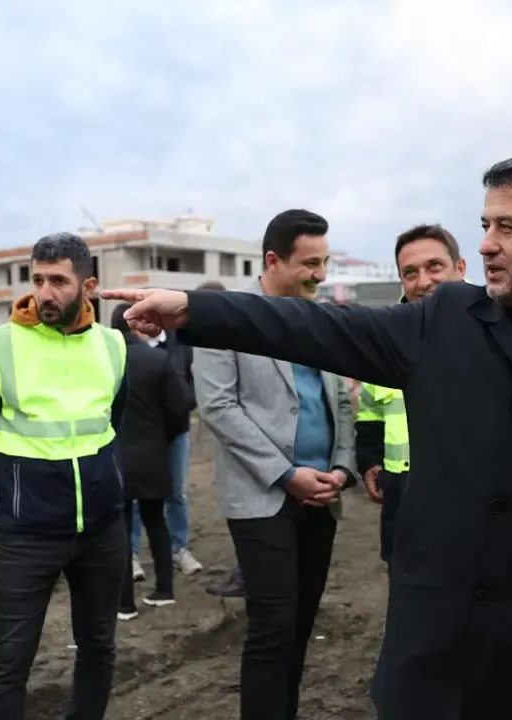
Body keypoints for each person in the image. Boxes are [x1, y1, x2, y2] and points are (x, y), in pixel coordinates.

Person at [103, 153, 512, 720]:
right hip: (429, 656)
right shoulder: (445, 319)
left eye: (508, 227)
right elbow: (318, 327)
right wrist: (193, 310)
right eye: (485, 225)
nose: (487, 245)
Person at [185, 209, 358, 719]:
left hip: (322, 493)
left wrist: (342, 467)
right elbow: (218, 407)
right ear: (273, 260)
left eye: (324, 262)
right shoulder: (226, 318)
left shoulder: (320, 318)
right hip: (263, 497)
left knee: (300, 625)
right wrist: (286, 475)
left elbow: (341, 399)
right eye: (310, 263)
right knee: (273, 626)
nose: (320, 275)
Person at [0, 232, 129, 719]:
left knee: (98, 645)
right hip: (29, 531)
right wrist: (22, 483)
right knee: (10, 657)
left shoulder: (113, 345)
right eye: (37, 280)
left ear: (88, 286)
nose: (44, 293)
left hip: (103, 526)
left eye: (58, 281)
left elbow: (113, 421)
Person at [355, 224, 466, 567]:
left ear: (460, 268)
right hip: (403, 493)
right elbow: (370, 410)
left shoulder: (496, 332)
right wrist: (370, 460)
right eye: (410, 273)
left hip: (469, 492)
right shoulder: (385, 341)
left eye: (435, 266)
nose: (423, 281)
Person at [109, 303, 193, 620]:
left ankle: (124, 603)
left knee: (120, 528)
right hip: (153, 453)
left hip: (114, 456)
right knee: (155, 520)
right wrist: (162, 438)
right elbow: (179, 409)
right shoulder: (158, 360)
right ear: (135, 326)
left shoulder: (104, 363)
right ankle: (164, 590)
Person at [130, 311, 204, 581]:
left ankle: (179, 548)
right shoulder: (128, 348)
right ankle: (132, 553)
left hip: (176, 431)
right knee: (135, 494)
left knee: (177, 492)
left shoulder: (181, 343)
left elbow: (194, 384)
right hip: (140, 434)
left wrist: (183, 404)